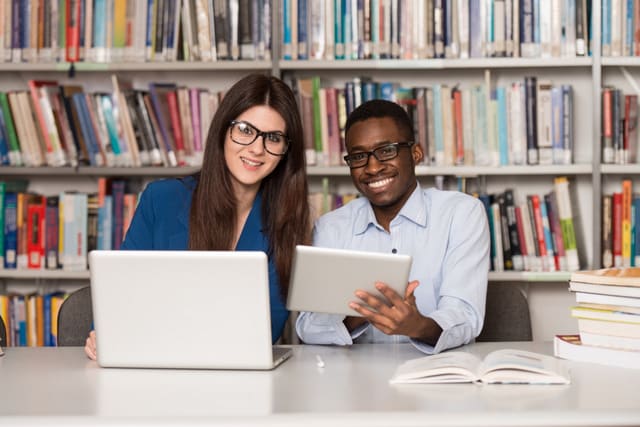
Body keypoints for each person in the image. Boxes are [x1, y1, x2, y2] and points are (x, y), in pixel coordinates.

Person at [84, 74, 311, 360]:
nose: (256, 148)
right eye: (244, 130)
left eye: (273, 138)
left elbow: (265, 328)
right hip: (150, 369)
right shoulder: (160, 200)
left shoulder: (288, 222)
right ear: (222, 129)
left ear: (286, 151)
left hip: (238, 379)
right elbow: (118, 299)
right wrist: (103, 334)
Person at [296, 99, 490, 354]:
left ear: (415, 154)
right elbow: (308, 325)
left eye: (386, 150)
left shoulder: (461, 214)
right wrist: (367, 312)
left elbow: (465, 314)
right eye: (359, 156)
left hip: (439, 377)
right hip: (355, 381)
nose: (373, 167)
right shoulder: (331, 227)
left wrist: (417, 325)